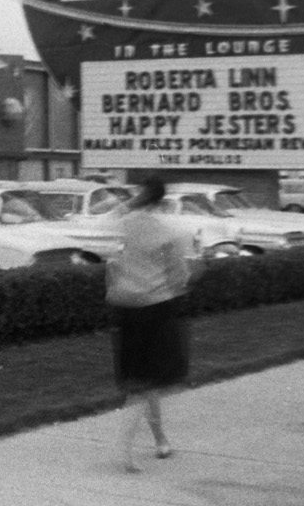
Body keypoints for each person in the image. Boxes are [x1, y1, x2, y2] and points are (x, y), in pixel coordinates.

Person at [105, 174, 205, 472]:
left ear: (140, 194)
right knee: (146, 382)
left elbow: (112, 263)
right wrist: (199, 271)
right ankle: (123, 450)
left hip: (124, 307)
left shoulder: (124, 223)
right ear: (162, 199)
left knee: (143, 381)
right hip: (155, 309)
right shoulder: (169, 232)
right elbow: (179, 280)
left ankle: (161, 440)